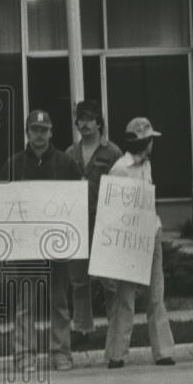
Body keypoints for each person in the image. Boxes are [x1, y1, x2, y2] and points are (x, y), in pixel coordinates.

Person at [0, 110, 84, 373]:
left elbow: (77, 202)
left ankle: (61, 353)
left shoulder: (66, 163)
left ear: (51, 132)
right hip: (26, 249)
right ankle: (24, 355)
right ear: (27, 132)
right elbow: (2, 206)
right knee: (25, 304)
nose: (39, 135)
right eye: (34, 129)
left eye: (44, 130)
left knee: (59, 300)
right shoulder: (13, 164)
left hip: (57, 245)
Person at [103, 118, 176, 368]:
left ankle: (163, 351)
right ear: (145, 142)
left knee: (156, 294)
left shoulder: (147, 166)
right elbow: (113, 210)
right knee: (125, 297)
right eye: (150, 140)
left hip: (150, 232)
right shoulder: (120, 169)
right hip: (129, 238)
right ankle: (117, 353)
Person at [64, 100, 122, 348]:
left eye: (90, 118)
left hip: (104, 222)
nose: (85, 123)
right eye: (81, 119)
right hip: (77, 223)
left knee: (109, 280)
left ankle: (116, 327)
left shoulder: (113, 153)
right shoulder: (69, 154)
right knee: (78, 279)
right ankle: (83, 328)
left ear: (99, 122)